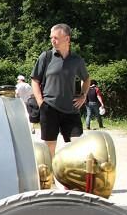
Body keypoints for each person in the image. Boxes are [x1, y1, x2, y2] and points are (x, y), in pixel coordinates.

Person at [31, 23, 90, 158]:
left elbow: (86, 79)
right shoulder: (46, 57)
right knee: (49, 147)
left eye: (56, 38)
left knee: (77, 144)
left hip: (71, 109)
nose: (53, 40)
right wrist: (40, 102)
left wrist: (83, 95)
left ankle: (71, 171)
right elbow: (35, 80)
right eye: (51, 38)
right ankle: (50, 172)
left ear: (67, 39)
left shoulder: (76, 60)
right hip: (49, 108)